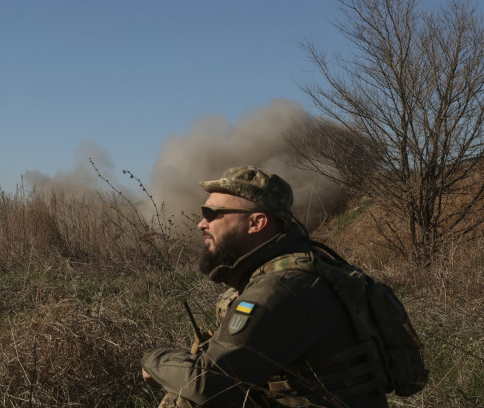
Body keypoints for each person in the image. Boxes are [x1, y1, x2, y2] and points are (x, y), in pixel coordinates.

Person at [140, 166, 388, 407]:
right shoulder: (303, 267)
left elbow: (205, 384)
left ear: (257, 223)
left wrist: (153, 358)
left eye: (212, 213)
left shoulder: (282, 287)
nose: (202, 224)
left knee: (185, 400)